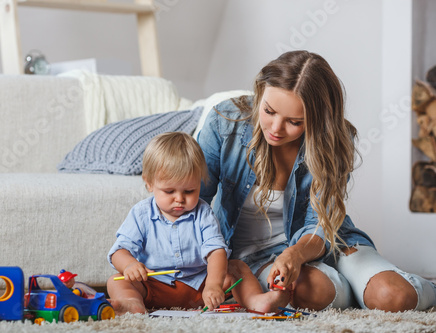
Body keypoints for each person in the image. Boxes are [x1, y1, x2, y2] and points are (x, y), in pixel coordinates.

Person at [197, 50, 436, 313]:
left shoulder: (333, 137)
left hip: (330, 241)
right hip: (257, 255)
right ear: (260, 92)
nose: (276, 128)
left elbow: (318, 224)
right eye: (269, 111)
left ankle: (384, 287)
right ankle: (356, 291)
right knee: (308, 291)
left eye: (294, 122)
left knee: (393, 297)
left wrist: (295, 255)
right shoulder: (224, 122)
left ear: (317, 119)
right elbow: (195, 203)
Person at [106, 132, 232, 315]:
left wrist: (213, 285)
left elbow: (216, 252)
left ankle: (257, 301)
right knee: (116, 280)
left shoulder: (203, 213)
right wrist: (129, 265)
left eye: (189, 191)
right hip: (155, 287)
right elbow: (119, 251)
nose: (179, 199)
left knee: (237, 269)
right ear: (149, 184)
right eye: (169, 191)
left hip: (199, 289)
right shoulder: (141, 213)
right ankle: (133, 304)